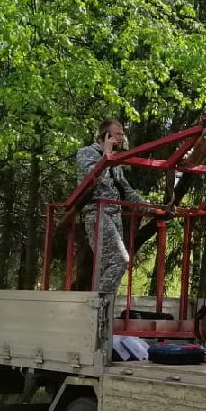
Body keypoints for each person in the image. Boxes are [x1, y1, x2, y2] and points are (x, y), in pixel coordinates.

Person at [75, 119, 148, 301]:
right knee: (120, 260)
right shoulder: (86, 154)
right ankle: (99, 307)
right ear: (105, 136)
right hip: (98, 215)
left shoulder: (115, 163)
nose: (122, 138)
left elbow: (127, 191)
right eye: (118, 134)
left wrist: (153, 210)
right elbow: (93, 181)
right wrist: (106, 157)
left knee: (108, 267)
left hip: (114, 217)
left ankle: (102, 312)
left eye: (123, 134)